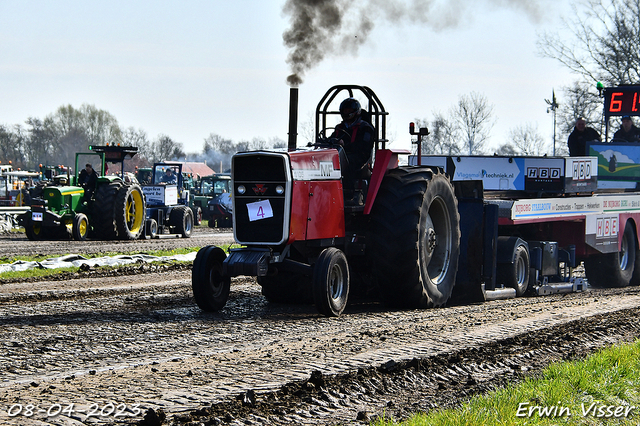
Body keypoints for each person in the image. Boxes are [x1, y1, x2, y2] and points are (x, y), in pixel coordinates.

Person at [330, 98, 376, 205]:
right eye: (345, 111)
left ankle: (348, 196)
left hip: (360, 156)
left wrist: (345, 145)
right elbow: (332, 138)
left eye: (349, 110)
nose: (347, 113)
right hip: (341, 155)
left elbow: (364, 146)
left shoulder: (365, 128)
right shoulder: (340, 128)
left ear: (356, 111)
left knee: (346, 165)